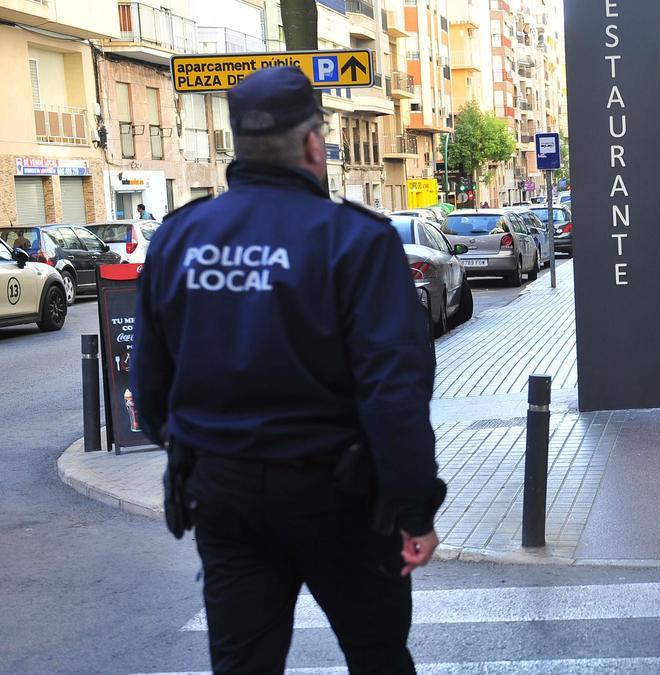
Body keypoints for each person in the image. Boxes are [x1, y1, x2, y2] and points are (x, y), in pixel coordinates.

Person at [131, 67, 445, 674]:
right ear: (311, 145)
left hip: (225, 497)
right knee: (378, 655)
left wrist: (205, 455)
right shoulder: (357, 241)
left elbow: (149, 385)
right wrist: (414, 512)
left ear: (238, 145)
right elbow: (394, 394)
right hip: (341, 500)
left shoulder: (178, 238)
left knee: (243, 666)